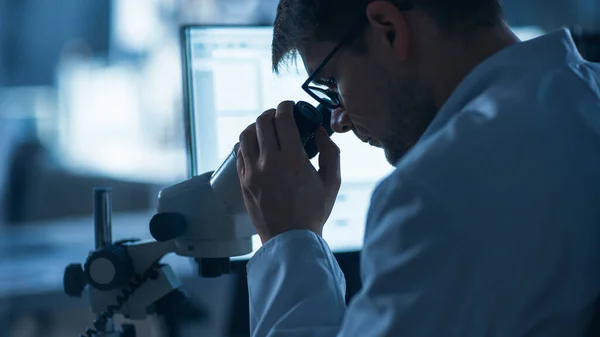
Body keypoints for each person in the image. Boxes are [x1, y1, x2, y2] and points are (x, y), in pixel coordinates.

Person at [235, 0, 600, 336]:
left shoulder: (435, 193)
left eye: (333, 82)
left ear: (389, 29)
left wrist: (289, 241)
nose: (339, 120)